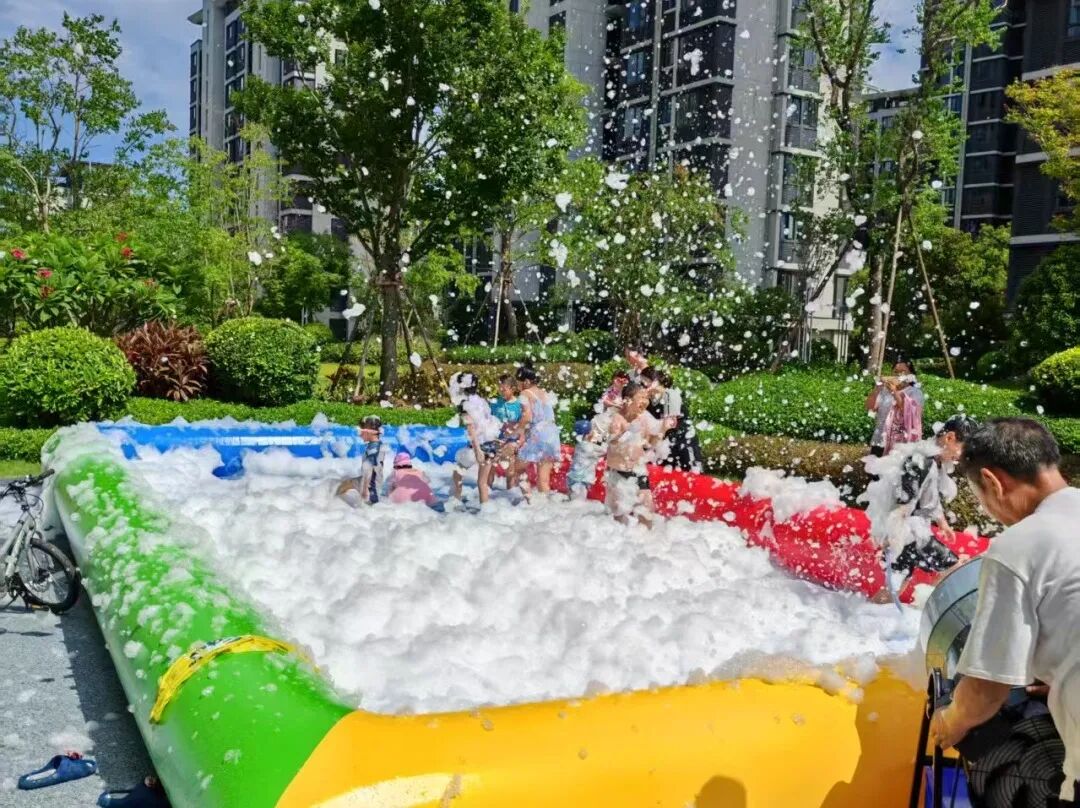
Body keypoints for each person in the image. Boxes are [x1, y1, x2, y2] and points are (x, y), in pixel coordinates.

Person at [929, 418, 1080, 805]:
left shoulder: (1019, 546)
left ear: (992, 482)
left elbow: (986, 688)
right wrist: (1062, 674)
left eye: (982, 499)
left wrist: (950, 721)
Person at [861, 414, 979, 599]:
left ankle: (867, 613)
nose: (961, 457)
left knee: (895, 588)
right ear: (949, 438)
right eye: (963, 450)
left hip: (910, 532)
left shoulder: (933, 461)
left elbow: (929, 498)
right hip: (911, 533)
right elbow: (903, 504)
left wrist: (942, 523)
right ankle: (925, 608)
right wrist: (892, 537)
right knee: (954, 568)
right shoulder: (921, 462)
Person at [604, 382, 677, 526]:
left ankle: (647, 538)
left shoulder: (644, 417)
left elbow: (651, 444)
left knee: (647, 513)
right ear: (628, 400)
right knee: (617, 519)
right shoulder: (616, 418)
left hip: (639, 471)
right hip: (618, 475)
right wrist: (628, 432)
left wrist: (663, 429)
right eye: (641, 397)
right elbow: (613, 442)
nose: (645, 401)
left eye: (646, 398)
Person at [450, 374, 503, 504]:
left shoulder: (464, 405)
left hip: (479, 446)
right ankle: (486, 510)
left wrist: (477, 450)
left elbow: (471, 430)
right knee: (482, 483)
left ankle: (456, 503)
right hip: (491, 444)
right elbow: (490, 422)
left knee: (457, 474)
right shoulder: (482, 401)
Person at [514, 363, 562, 495]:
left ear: (526, 381)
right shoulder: (544, 393)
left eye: (518, 381)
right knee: (543, 479)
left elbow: (527, 417)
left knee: (517, 469)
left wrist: (517, 431)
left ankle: (528, 500)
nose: (517, 385)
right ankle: (545, 506)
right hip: (552, 435)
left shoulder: (525, 393)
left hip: (538, 434)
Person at [866, 360, 925, 456]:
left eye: (903, 371)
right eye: (896, 372)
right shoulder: (885, 391)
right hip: (880, 440)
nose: (899, 375)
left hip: (901, 444)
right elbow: (870, 407)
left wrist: (894, 392)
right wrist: (877, 389)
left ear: (911, 375)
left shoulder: (915, 392)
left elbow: (911, 414)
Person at [650, 369, 703, 473]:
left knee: (692, 474)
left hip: (684, 440)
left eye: (649, 381)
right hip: (668, 441)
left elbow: (671, 423)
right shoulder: (653, 399)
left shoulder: (671, 394)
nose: (645, 384)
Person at [336, 415, 386, 505]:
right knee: (345, 484)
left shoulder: (373, 449)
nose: (359, 434)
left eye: (361, 431)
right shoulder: (377, 445)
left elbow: (369, 470)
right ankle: (333, 499)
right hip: (371, 483)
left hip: (371, 490)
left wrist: (365, 490)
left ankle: (332, 502)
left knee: (345, 487)